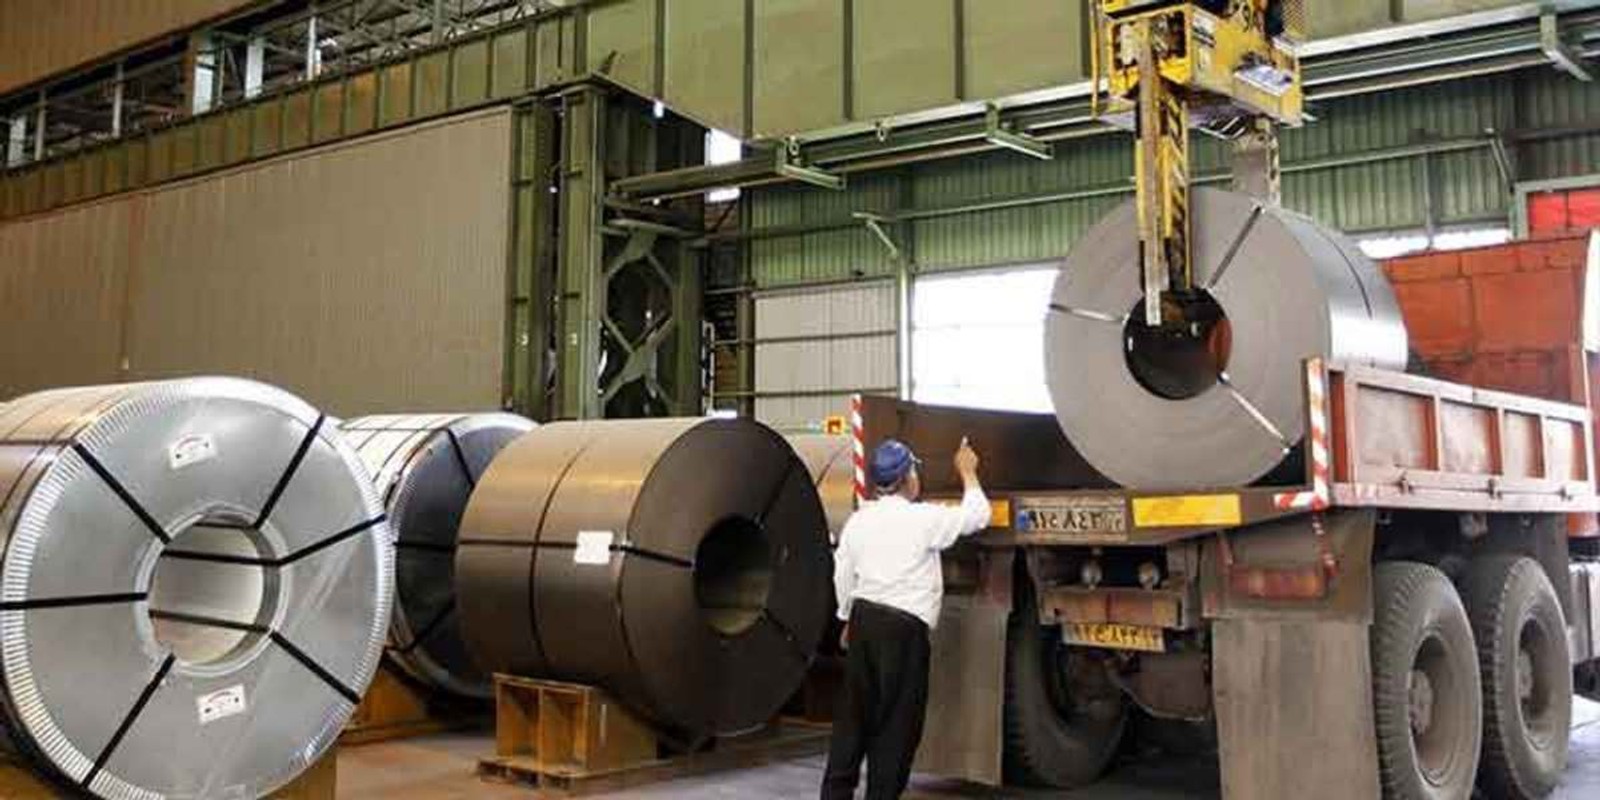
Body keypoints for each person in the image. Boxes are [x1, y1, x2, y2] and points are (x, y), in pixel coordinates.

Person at [820, 436, 990, 800]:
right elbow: (978, 516)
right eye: (914, 471)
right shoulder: (923, 519)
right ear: (906, 477)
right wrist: (968, 473)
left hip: (864, 621)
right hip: (903, 631)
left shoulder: (859, 521)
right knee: (896, 727)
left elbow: (842, 574)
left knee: (852, 721)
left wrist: (847, 616)